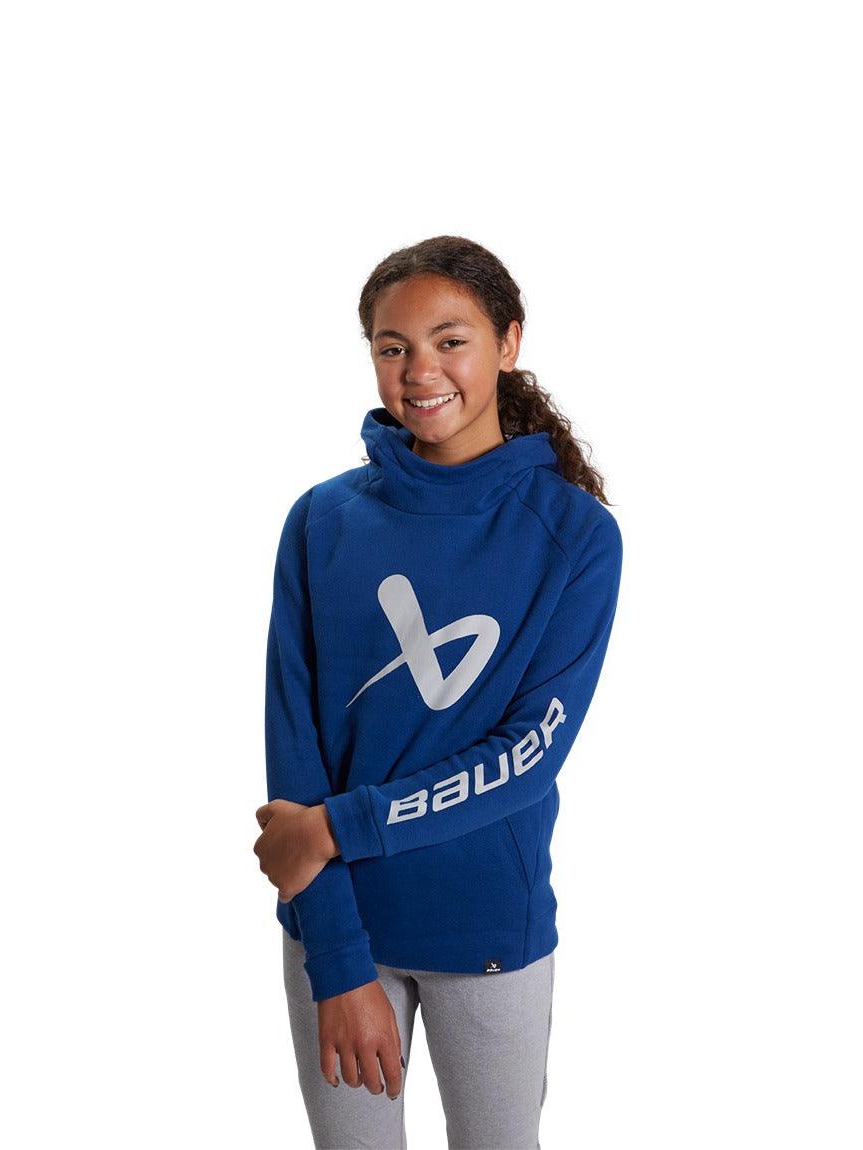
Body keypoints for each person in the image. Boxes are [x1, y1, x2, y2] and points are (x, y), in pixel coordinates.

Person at [253, 235, 624, 1149]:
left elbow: (527, 756)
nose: (421, 371)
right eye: (393, 346)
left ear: (509, 341)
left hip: (486, 931)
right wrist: (337, 958)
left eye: (450, 340)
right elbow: (293, 747)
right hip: (336, 925)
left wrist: (339, 828)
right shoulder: (321, 521)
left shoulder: (575, 535)